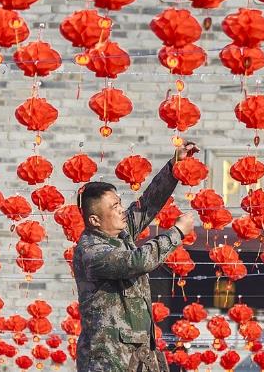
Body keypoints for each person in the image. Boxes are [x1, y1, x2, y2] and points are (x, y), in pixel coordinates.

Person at [73, 142, 199, 372]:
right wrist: (177, 233)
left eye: (119, 203)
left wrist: (173, 168)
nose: (121, 209)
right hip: (107, 358)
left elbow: (146, 206)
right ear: (94, 220)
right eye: (114, 207)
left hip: (135, 357)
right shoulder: (91, 251)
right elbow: (138, 261)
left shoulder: (120, 233)